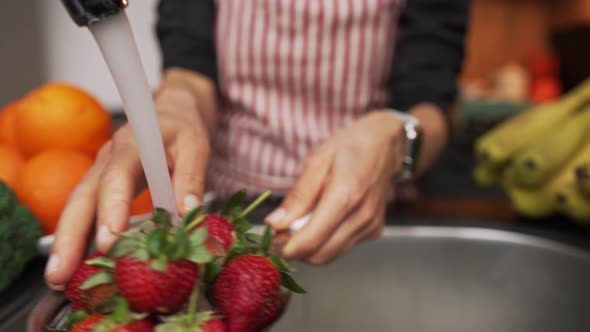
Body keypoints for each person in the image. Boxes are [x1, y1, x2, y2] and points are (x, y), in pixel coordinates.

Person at [45, 0, 469, 290]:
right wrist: (175, 105)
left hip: (376, 222)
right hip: (222, 222)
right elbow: (190, 72)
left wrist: (396, 138)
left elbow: (432, 102)